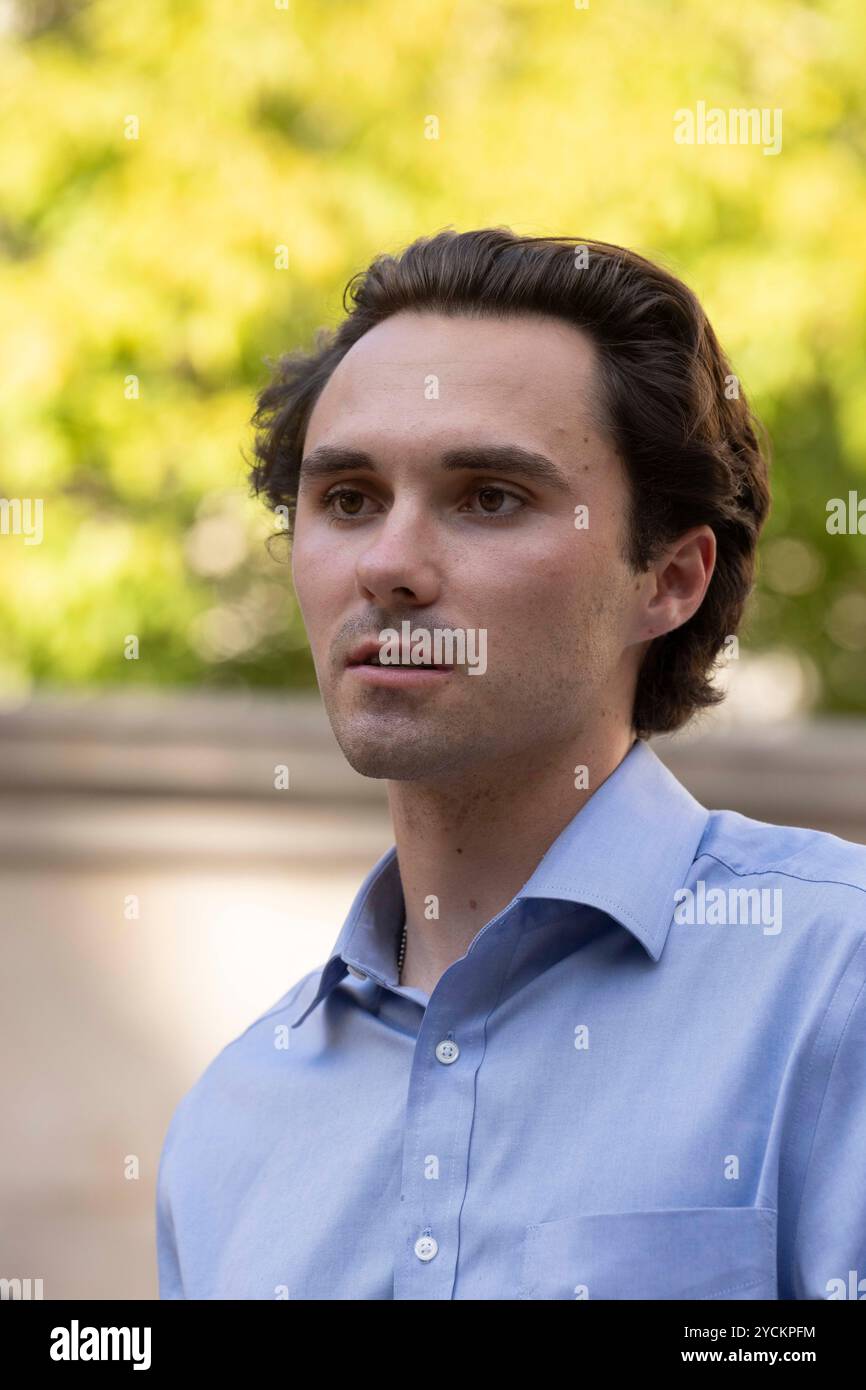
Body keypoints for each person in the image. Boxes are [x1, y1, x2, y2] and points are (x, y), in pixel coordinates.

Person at [156, 228, 866, 1300]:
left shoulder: (831, 983)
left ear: (668, 579)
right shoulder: (231, 1121)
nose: (389, 566)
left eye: (488, 496)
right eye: (346, 498)